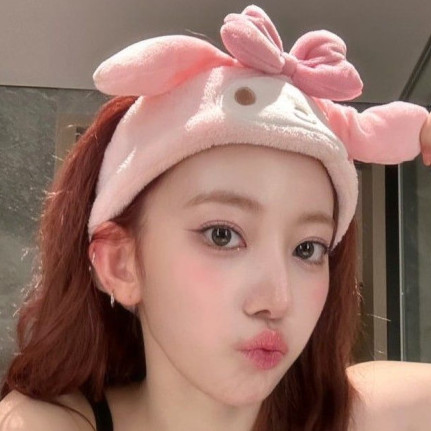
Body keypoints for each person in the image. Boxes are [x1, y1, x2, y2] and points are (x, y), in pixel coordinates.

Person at [0, 5, 430, 431]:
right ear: (119, 264)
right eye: (223, 235)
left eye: (308, 248)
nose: (278, 300)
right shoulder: (43, 423)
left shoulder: (359, 415)